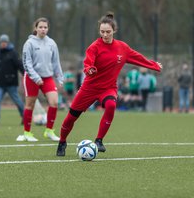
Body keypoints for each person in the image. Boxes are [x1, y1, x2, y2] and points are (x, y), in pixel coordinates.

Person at [56, 12, 162, 156]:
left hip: (108, 88)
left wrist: (154, 65)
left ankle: (99, 140)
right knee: (71, 117)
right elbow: (88, 63)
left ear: (114, 31)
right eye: (102, 32)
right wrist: (89, 70)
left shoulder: (122, 48)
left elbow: (139, 58)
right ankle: (62, 141)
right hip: (89, 88)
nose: (105, 35)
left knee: (111, 105)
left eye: (108, 32)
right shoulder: (94, 47)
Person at [16, 17, 64, 142]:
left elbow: (55, 62)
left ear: (48, 29)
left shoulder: (52, 43)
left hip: (47, 78)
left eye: (45, 27)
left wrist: (60, 77)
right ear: (36, 28)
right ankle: (27, 133)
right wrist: (36, 77)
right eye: (40, 27)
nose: (43, 29)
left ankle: (49, 131)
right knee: (30, 105)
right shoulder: (29, 43)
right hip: (32, 78)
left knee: (54, 102)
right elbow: (26, 63)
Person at [0, 34, 25, 126]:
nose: (3, 44)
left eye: (5, 42)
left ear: (7, 43)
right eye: (2, 42)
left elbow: (19, 65)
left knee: (17, 101)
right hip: (0, 83)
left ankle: (25, 117)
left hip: (11, 83)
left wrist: (25, 74)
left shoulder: (13, 53)